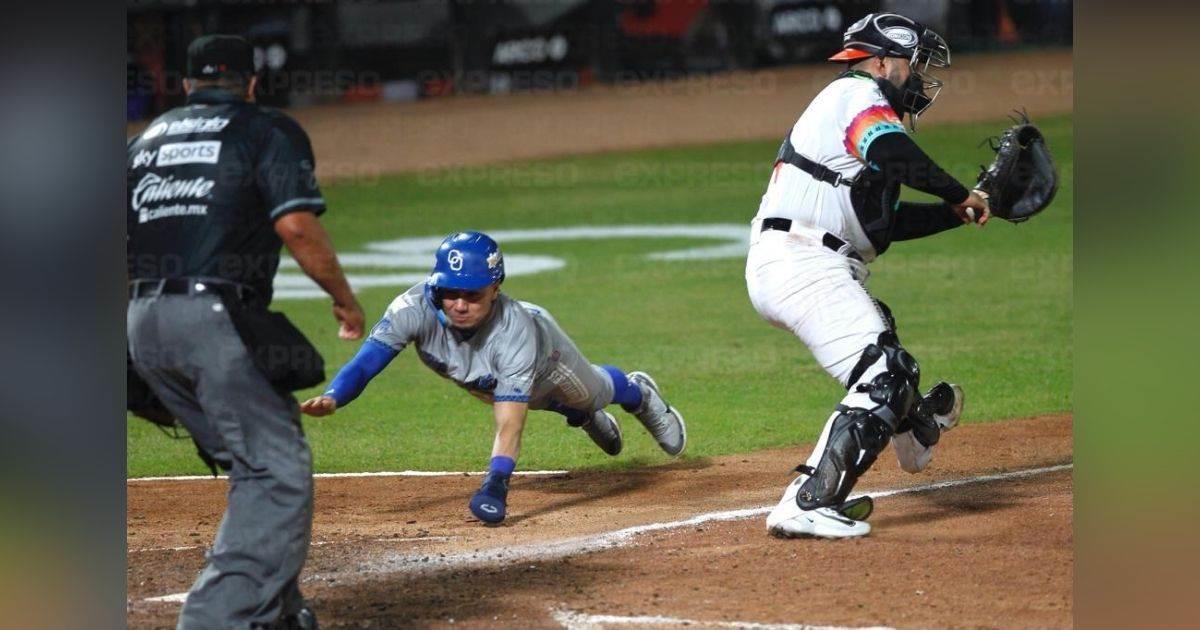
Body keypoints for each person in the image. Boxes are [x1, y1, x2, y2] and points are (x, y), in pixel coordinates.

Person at [127, 34, 364, 629]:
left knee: (249, 461)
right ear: (253, 84)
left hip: (143, 323)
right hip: (212, 319)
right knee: (275, 471)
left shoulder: (144, 142)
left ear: (184, 85)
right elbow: (297, 226)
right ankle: (215, 619)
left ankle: (279, 614)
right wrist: (344, 300)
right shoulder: (266, 129)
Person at [745, 13, 990, 539]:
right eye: (911, 64)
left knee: (883, 339)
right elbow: (894, 154)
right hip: (800, 260)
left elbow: (880, 227)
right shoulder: (854, 94)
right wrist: (957, 191)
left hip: (803, 258)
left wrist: (955, 213)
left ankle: (915, 428)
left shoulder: (858, 115)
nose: (918, 78)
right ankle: (808, 501)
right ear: (879, 62)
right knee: (884, 373)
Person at [300, 231, 687, 524]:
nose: (459, 304)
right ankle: (581, 417)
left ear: (495, 288)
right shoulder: (411, 309)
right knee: (517, 394)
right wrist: (335, 396)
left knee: (591, 394)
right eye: (450, 293)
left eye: (472, 294)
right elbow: (367, 362)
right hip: (487, 375)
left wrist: (495, 486)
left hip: (546, 354)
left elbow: (510, 425)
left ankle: (637, 393)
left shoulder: (514, 330)